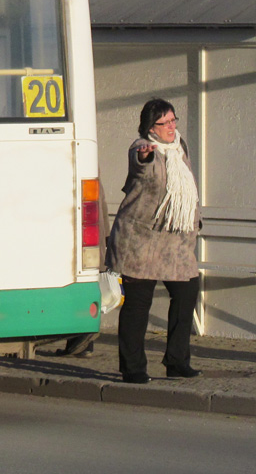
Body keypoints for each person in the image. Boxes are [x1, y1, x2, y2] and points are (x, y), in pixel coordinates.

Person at [105, 98, 202, 384]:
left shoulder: (179, 148)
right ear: (151, 127)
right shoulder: (141, 147)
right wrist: (146, 157)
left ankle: (176, 361)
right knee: (138, 305)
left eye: (173, 120)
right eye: (165, 123)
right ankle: (133, 368)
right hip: (141, 241)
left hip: (175, 242)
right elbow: (140, 165)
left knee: (186, 293)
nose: (171, 127)